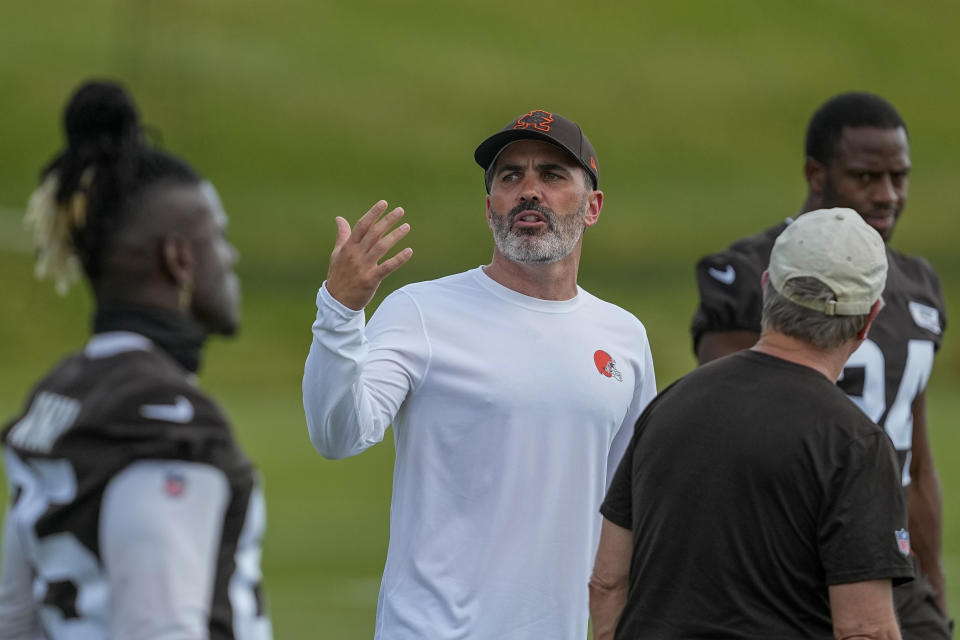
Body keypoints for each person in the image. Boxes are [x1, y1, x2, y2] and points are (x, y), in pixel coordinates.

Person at [302, 109, 657, 638]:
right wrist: (340, 313)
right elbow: (338, 435)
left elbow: (629, 505)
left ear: (593, 207)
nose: (528, 191)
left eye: (553, 175)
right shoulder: (421, 312)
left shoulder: (624, 337)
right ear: (489, 206)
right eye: (510, 176)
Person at [0, 80, 272, 639]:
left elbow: (16, 617)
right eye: (216, 237)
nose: (231, 255)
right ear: (179, 258)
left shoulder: (57, 395)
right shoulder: (165, 418)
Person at [690, 92, 949, 637]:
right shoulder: (750, 272)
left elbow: (916, 466)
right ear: (816, 174)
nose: (887, 196)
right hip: (789, 567)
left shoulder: (918, 284)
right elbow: (726, 434)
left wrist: (935, 590)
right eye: (865, 177)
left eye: (898, 177)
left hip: (894, 571)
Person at [591, 208, 913, 639]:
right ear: (868, 320)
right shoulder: (855, 445)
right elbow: (865, 631)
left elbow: (607, 582)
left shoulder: (668, 405)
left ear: (767, 289)